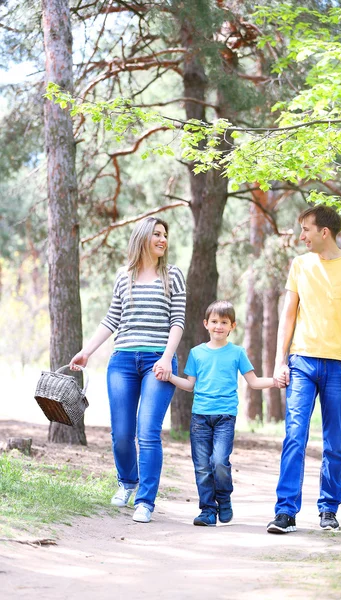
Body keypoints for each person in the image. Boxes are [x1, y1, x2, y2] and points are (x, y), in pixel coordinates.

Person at [69, 216, 186, 524]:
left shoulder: (172, 275)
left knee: (147, 432)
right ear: (143, 238)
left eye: (165, 234)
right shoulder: (124, 276)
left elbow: (178, 321)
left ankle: (145, 501)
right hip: (122, 361)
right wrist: (86, 351)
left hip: (158, 363)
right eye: (157, 234)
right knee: (121, 434)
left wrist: (166, 357)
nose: (162, 239)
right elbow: (112, 319)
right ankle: (127, 482)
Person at [268, 205, 341, 534]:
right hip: (302, 362)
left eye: (306, 230)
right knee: (294, 437)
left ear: (323, 232)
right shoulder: (300, 265)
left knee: (334, 442)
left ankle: (329, 508)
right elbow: (288, 315)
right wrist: (279, 361)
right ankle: (285, 512)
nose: (301, 237)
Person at [156, 300, 279, 526]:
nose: (218, 326)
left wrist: (275, 381)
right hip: (200, 418)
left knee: (220, 461)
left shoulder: (237, 353)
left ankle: (223, 498)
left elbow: (253, 381)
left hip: (225, 417)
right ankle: (207, 510)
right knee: (202, 465)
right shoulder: (196, 353)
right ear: (206, 324)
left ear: (232, 326)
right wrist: (170, 376)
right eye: (214, 321)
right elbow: (190, 384)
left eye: (224, 322)